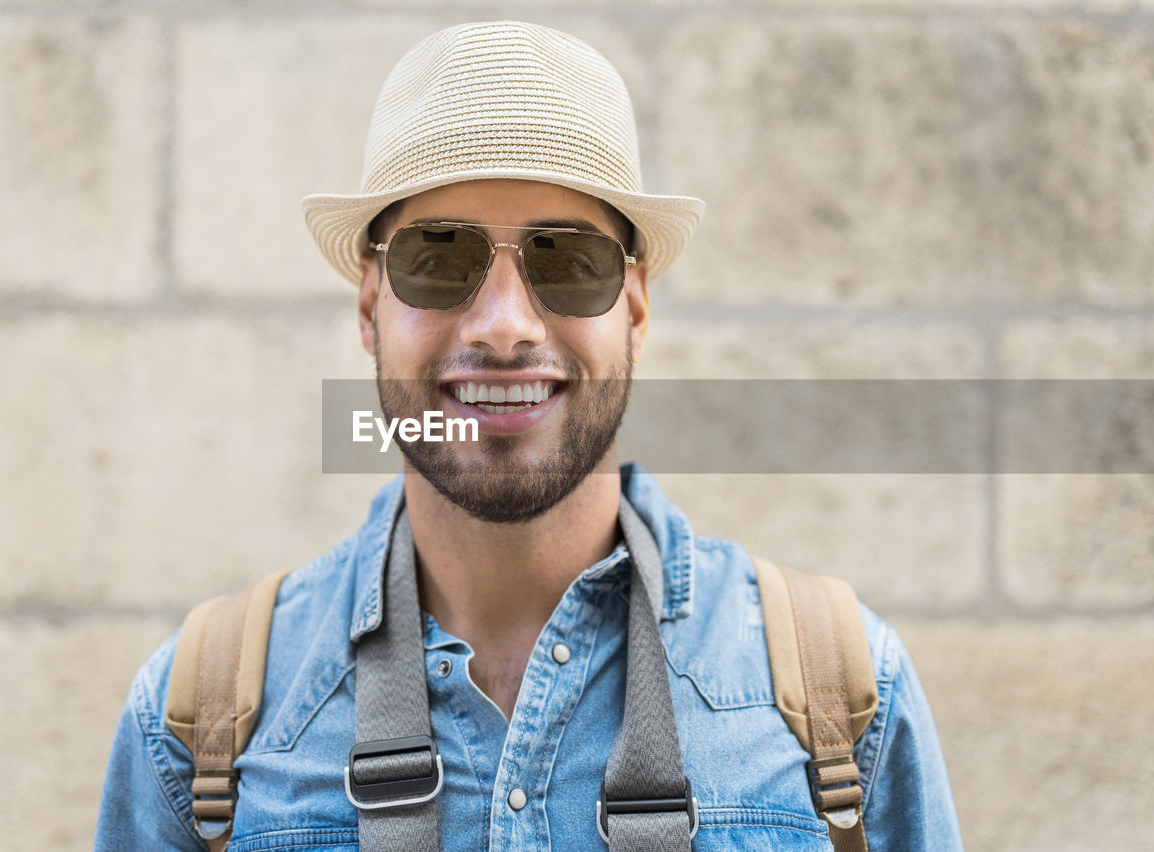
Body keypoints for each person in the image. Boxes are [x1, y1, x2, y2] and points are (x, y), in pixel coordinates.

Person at [95, 20, 961, 851]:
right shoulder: (198, 725)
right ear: (370, 305)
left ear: (636, 303)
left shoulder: (846, 700)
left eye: (568, 260)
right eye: (437, 257)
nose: (505, 327)